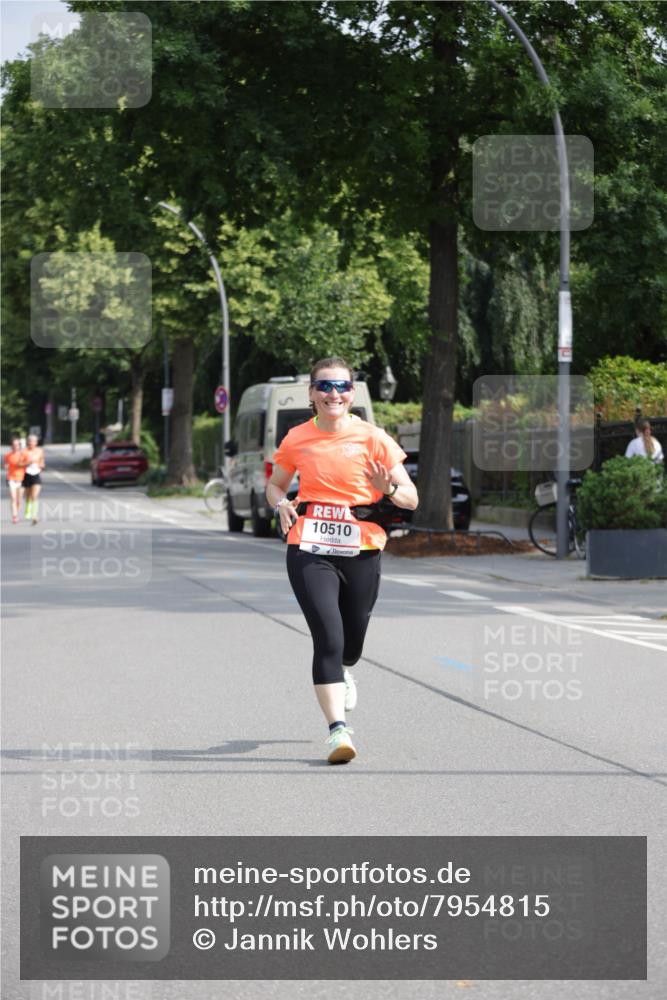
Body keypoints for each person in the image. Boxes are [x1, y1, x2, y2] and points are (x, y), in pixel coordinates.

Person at [266, 357, 418, 764]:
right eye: (325, 386)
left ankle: (346, 668)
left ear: (352, 392)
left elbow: (410, 498)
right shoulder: (297, 438)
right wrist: (280, 503)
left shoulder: (374, 438)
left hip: (362, 549)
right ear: (311, 394)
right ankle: (338, 732)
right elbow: (276, 485)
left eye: (342, 386)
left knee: (352, 642)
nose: (334, 394)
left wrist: (387, 490)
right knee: (328, 638)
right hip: (309, 547)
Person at [22, 433, 45, 525]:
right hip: (26, 474)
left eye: (33, 441)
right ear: (28, 442)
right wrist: (28, 462)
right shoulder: (24, 451)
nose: (31, 443)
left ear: (36, 442)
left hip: (36, 474)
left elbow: (42, 462)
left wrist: (41, 465)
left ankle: (34, 515)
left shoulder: (40, 451)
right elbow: (20, 463)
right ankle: (28, 510)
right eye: (30, 441)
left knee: (34, 495)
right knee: (28, 495)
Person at [4, 436, 26, 523]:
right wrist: (5, 466)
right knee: (13, 498)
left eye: (17, 445)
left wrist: (22, 464)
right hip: (11, 478)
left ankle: (16, 512)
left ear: (19, 446)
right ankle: (15, 516)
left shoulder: (23, 455)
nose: (15, 446)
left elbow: (28, 464)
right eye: (13, 445)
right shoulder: (7, 455)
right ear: (11, 446)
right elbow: (6, 464)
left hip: (21, 478)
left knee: (19, 500)